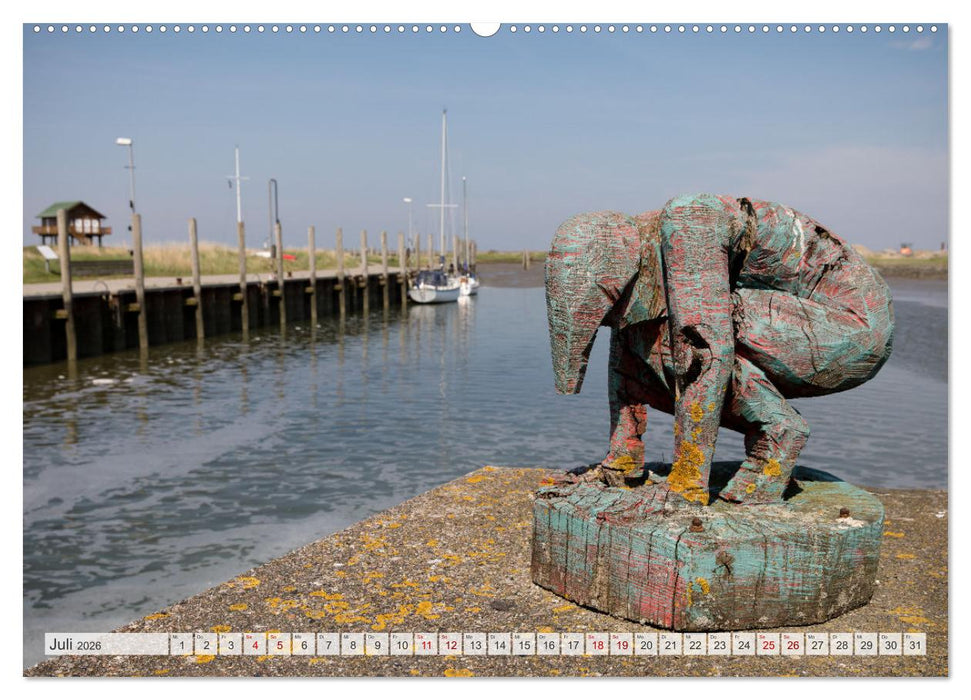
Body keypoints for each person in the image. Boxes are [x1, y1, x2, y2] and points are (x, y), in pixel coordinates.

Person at [545, 193, 894, 504]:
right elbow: (632, 342)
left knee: (694, 331)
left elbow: (706, 348)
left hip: (848, 331)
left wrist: (687, 481)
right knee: (641, 333)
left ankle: (777, 431)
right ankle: (625, 459)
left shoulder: (691, 222)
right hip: (793, 323)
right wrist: (622, 457)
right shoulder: (645, 243)